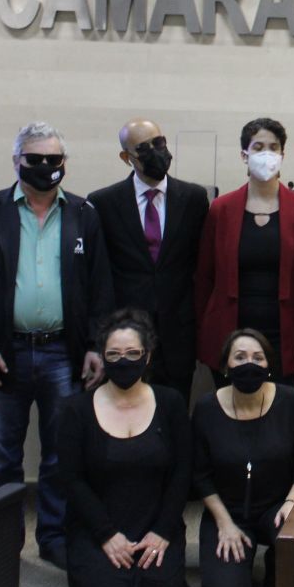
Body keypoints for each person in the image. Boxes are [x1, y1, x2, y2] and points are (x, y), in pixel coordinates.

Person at [0, 121, 114, 569]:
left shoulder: (84, 213)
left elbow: (100, 286)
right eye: (35, 159)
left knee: (60, 453)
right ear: (16, 162)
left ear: (65, 164)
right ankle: (1, 543)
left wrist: (95, 346)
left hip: (62, 353)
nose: (46, 167)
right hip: (3, 354)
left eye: (54, 160)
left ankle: (54, 537)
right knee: (3, 456)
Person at [56, 310, 192, 587]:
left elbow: (182, 472)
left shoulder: (171, 403)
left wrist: (162, 531)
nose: (124, 361)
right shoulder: (76, 410)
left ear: (148, 356)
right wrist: (107, 535)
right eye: (114, 354)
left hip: (154, 523)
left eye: (133, 353)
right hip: (97, 526)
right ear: (102, 357)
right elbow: (72, 480)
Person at [191, 328, 294, 587]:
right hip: (228, 511)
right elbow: (199, 474)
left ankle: (276, 560)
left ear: (268, 366)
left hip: (278, 507)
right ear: (226, 366)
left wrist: (291, 503)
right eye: (240, 357)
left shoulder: (289, 401)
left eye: (258, 358)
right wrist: (224, 523)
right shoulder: (206, 408)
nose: (249, 364)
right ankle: (241, 560)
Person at [195, 118, 294, 390]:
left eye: (273, 148)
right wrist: (201, 334)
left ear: (282, 155)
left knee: (281, 417)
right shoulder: (221, 208)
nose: (267, 154)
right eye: (258, 147)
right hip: (231, 335)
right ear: (244, 155)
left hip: (286, 337)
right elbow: (204, 277)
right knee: (231, 416)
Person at [89, 118, 209, 404]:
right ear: (125, 157)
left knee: (176, 415)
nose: (155, 151)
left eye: (159, 143)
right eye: (143, 148)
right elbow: (99, 274)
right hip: (126, 336)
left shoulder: (193, 198)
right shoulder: (104, 203)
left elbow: (200, 264)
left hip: (178, 333)